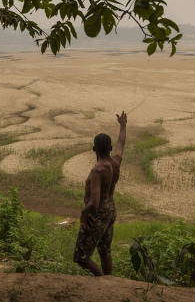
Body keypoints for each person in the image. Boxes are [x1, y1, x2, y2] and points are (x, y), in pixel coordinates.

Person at [73, 111, 127, 276]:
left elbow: (94, 203)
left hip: (97, 214)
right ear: (109, 149)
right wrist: (123, 125)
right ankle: (109, 281)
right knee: (105, 251)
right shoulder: (115, 162)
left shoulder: (98, 171)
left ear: (94, 149)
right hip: (111, 210)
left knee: (81, 257)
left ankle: (102, 280)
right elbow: (121, 143)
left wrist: (84, 214)